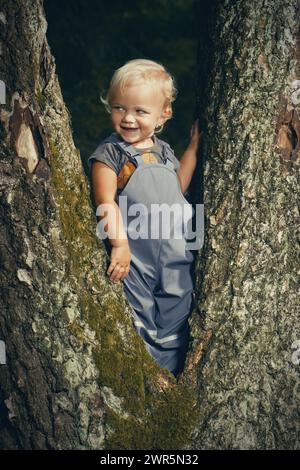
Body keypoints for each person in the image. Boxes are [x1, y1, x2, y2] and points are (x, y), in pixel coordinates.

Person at [88, 58, 202, 378]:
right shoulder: (110, 155)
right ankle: (146, 375)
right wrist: (119, 244)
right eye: (119, 108)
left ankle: (170, 374)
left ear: (163, 113)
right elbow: (106, 202)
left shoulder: (164, 151)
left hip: (177, 251)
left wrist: (192, 148)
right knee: (140, 314)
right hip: (137, 254)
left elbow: (177, 185)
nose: (128, 118)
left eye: (140, 111)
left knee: (176, 310)